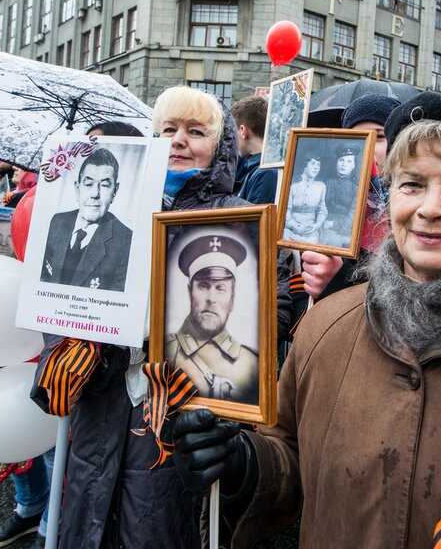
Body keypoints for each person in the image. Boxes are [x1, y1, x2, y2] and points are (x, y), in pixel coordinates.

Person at [171, 91, 441, 547]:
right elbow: (289, 452)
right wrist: (244, 464)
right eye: (412, 184)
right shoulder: (326, 325)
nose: (430, 208)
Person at [32, 88, 292, 548]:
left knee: (157, 525)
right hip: (101, 410)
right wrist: (69, 350)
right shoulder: (114, 213)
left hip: (180, 416)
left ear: (222, 145)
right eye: (168, 130)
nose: (178, 140)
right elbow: (64, 294)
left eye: (195, 132)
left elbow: (269, 312)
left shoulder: (238, 218)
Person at [294, 94, 401, 308]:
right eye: (357, 139)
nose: (367, 148)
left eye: (378, 136)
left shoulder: (411, 206)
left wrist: (340, 278)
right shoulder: (330, 192)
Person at [165, 234, 259, 403]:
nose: (211, 298)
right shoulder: (163, 350)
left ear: (232, 299)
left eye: (221, 288)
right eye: (203, 286)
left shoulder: (252, 364)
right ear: (189, 292)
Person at [40, 147, 132, 291]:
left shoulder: (126, 241)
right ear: (77, 188)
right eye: (88, 184)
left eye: (105, 185)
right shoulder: (57, 222)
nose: (95, 194)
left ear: (115, 191)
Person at [232, 95, 279, 204]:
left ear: (243, 131)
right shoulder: (258, 168)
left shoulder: (266, 172)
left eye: (233, 131)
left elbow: (252, 220)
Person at [320, 143, 361, 248]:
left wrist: (333, 225)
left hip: (343, 229)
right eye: (341, 160)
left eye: (349, 161)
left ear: (353, 165)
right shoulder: (326, 182)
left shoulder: (356, 188)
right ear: (336, 162)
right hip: (322, 222)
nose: (344, 165)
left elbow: (353, 215)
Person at [283, 152, 327, 243]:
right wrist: (295, 227)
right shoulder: (293, 185)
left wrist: (317, 225)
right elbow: (286, 210)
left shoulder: (321, 187)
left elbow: (322, 210)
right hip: (290, 229)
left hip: (310, 231)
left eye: (318, 165)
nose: (316, 167)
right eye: (313, 163)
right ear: (305, 164)